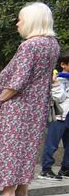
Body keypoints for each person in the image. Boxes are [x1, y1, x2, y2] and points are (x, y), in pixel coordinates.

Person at [0, 2, 61, 196]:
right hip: (36, 106)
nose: (17, 24)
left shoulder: (29, 45)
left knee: (10, 146)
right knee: (27, 146)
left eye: (20, 20)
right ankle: (22, 190)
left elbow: (18, 81)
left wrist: (0, 98)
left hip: (18, 106)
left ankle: (7, 194)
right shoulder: (52, 44)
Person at [42, 50, 69, 179]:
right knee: (52, 144)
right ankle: (46, 169)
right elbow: (59, 97)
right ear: (63, 64)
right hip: (59, 115)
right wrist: (56, 84)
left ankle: (66, 168)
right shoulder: (57, 79)